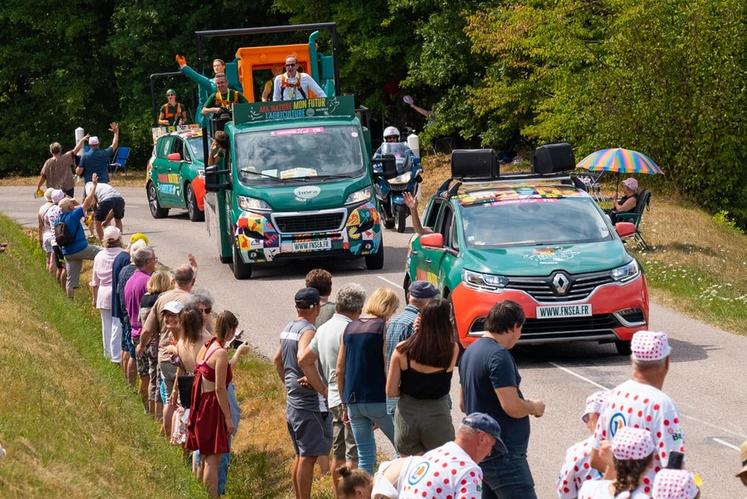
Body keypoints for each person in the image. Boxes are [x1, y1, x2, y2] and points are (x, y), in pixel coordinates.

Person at [459, 300, 545, 498]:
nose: (519, 335)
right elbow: (511, 406)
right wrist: (533, 406)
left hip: (481, 452)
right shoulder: (499, 356)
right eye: (520, 329)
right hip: (503, 455)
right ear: (514, 326)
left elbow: (464, 403)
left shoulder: (470, 352)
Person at [590, 331, 684, 493]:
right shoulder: (662, 405)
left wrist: (622, 479)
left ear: (632, 360)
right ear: (667, 362)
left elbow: (595, 457)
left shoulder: (613, 396)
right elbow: (674, 466)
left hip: (614, 492)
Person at [298, 283, 366, 493]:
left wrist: (324, 389)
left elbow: (304, 360)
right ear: (358, 308)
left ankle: (340, 495)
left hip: (333, 399)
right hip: (350, 399)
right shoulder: (352, 330)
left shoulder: (323, 328)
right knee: (354, 455)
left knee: (338, 453)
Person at [273, 287, 332, 499]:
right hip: (309, 404)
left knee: (301, 456)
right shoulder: (308, 330)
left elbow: (277, 361)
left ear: (296, 306)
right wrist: (322, 388)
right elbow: (302, 358)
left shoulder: (289, 327)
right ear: (317, 307)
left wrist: (289, 384)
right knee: (309, 457)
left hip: (294, 401)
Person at [336, 287, 400, 475]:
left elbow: (340, 369)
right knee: (403, 449)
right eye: (394, 309)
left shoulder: (349, 327)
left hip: (353, 400)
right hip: (378, 397)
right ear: (387, 307)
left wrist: (344, 402)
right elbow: (387, 366)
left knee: (365, 456)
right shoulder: (382, 328)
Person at [386, 298, 458, 456]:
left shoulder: (401, 350)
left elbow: (390, 391)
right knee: (439, 468)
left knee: (409, 469)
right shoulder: (452, 349)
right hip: (438, 415)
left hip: (407, 416)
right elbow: (433, 344)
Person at [379, 413, 505, 498]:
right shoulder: (468, 469)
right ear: (482, 439)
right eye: (491, 447)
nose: (489, 453)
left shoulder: (432, 455)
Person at [186, 311, 237, 498]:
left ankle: (198, 492)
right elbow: (220, 389)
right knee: (212, 460)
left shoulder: (206, 347)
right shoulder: (221, 354)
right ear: (231, 330)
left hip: (199, 403)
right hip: (212, 406)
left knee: (202, 454)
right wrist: (228, 418)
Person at [384, 280, 438, 414]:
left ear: (409, 296)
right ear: (430, 301)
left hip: (394, 396)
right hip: (413, 400)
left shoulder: (393, 322)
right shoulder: (420, 324)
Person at [112, 233, 149, 383]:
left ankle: (126, 380)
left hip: (125, 314)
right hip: (134, 319)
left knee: (125, 348)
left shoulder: (124, 270)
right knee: (133, 354)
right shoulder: (138, 274)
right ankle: (131, 382)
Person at [124, 246, 158, 410]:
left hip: (134, 330)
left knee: (143, 374)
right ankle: (149, 410)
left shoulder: (131, 279)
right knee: (149, 377)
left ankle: (146, 409)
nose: (155, 262)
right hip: (145, 334)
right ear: (146, 262)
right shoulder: (147, 282)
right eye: (154, 259)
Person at [579, 426, 655, 499]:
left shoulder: (588, 489)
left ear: (614, 459)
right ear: (651, 463)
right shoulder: (648, 496)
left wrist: (610, 466)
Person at [557, 390, 608, 498]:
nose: (587, 424)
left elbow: (565, 492)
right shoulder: (634, 449)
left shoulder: (578, 453)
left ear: (595, 417)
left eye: (586, 418)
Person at [55, 185, 101, 298]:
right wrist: (94, 187)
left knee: (70, 282)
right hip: (80, 248)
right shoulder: (73, 215)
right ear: (70, 207)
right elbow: (87, 203)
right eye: (71, 203)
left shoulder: (58, 219)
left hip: (67, 252)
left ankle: (70, 303)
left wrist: (71, 204)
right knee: (103, 252)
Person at [139, 270, 173, 418]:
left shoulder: (145, 298)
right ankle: (159, 415)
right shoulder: (159, 300)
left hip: (147, 342)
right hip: (157, 343)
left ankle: (151, 412)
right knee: (159, 381)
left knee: (152, 378)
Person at [90, 226, 125, 364]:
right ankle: (117, 355)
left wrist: (94, 298)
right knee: (118, 325)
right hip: (117, 293)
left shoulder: (99, 255)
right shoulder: (122, 255)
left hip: (103, 293)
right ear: (119, 239)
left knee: (106, 326)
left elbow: (95, 281)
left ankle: (108, 354)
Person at [177, 55, 236, 127]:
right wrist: (185, 67)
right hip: (216, 117)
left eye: (218, 65)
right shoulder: (211, 83)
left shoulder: (231, 79)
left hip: (232, 114)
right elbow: (199, 80)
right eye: (214, 66)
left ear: (224, 66)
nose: (216, 67)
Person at [44, 189, 67, 285]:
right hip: (62, 242)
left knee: (59, 267)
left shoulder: (50, 210)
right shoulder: (62, 209)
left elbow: (47, 222)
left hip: (54, 242)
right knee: (65, 267)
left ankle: (57, 287)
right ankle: (64, 289)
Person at [37, 189, 56, 275]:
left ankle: (48, 278)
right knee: (53, 259)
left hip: (45, 236)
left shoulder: (41, 208)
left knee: (48, 259)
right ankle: (54, 280)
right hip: (54, 236)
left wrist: (40, 239)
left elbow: (40, 226)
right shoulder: (56, 208)